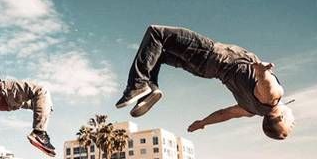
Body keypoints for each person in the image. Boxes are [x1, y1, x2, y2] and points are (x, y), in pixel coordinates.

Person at [116, 26, 295, 140]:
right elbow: (225, 114)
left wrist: (262, 72)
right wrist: (203, 122)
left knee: (156, 34)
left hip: (211, 55)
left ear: (280, 118)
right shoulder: (250, 111)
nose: (294, 120)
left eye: (292, 124)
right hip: (204, 70)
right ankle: (150, 88)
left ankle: (138, 85)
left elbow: (268, 90)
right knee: (157, 54)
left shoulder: (273, 99)